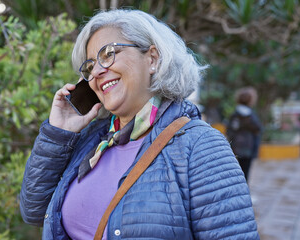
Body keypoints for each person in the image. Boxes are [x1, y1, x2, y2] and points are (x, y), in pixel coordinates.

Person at [20, 9, 260, 240]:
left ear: (152, 59)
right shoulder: (91, 142)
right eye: (90, 65)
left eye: (108, 53)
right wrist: (58, 133)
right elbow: (33, 209)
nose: (97, 72)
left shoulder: (201, 147)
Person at [226, 87, 262, 181]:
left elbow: (230, 131)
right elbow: (258, 129)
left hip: (235, 148)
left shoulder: (235, 115)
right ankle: (244, 192)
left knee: (236, 173)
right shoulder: (251, 116)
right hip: (248, 149)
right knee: (245, 173)